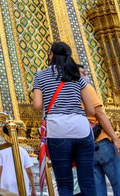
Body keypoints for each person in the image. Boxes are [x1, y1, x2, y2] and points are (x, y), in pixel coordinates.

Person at [33, 42, 96, 196]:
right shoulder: (76, 76)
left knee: (64, 183)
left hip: (58, 129)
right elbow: (90, 110)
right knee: (87, 181)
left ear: (51, 55)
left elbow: (37, 105)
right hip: (81, 129)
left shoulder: (41, 76)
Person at [78, 66, 120, 196]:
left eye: (85, 72)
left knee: (97, 192)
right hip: (102, 142)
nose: (85, 75)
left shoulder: (67, 93)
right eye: (82, 73)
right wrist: (116, 139)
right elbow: (100, 114)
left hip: (85, 147)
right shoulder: (86, 88)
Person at [0, 124, 36, 195]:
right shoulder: (23, 151)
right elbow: (29, 171)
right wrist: (33, 189)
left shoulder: (1, 151)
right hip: (22, 183)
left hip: (7, 184)